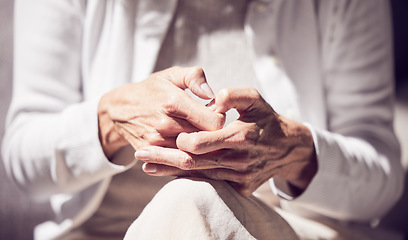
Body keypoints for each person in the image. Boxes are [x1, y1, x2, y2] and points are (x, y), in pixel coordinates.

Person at [2, 0, 404, 239]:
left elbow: (382, 181)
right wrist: (111, 118)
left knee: (191, 200)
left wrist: (293, 150)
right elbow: (22, 158)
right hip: (102, 233)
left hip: (284, 230)